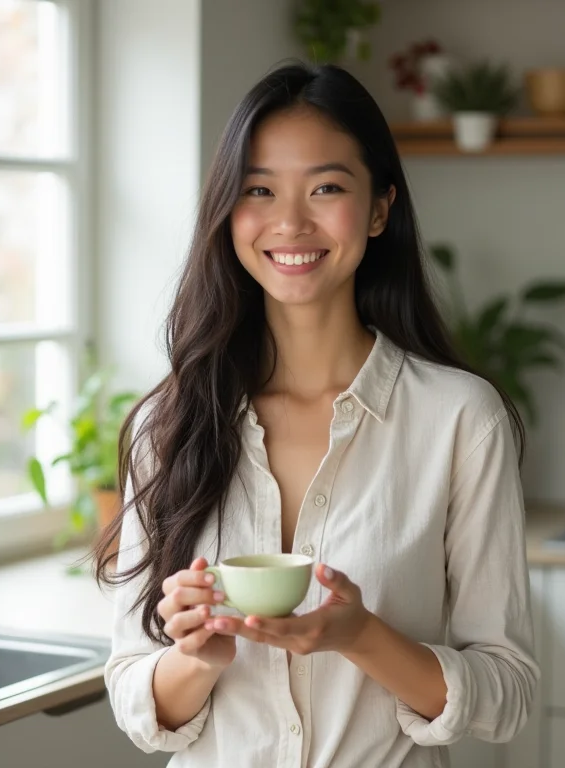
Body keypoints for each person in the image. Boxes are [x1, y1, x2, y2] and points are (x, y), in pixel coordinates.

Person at [93, 61, 539, 768]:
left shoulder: (460, 419)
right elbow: (136, 699)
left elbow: (508, 692)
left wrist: (360, 636)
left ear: (380, 208)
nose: (290, 222)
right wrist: (199, 658)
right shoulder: (172, 422)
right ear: (227, 212)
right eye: (258, 190)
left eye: (326, 187)